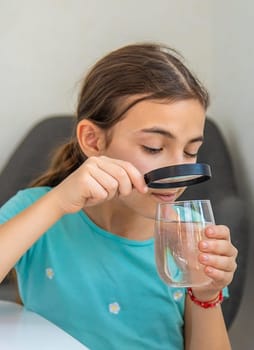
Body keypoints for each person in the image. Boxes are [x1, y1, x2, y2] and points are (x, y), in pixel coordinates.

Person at [0, 42, 237, 350]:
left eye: (191, 151)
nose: (177, 172)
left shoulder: (188, 234)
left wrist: (205, 294)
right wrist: (57, 202)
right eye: (153, 147)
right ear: (92, 140)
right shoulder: (39, 209)